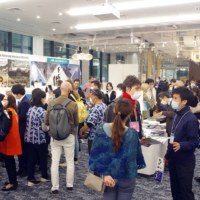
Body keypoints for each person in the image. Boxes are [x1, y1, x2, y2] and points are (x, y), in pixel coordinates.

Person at [89, 99, 146, 200]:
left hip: (108, 176)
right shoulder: (132, 133)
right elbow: (132, 158)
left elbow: (95, 154)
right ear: (129, 114)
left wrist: (106, 174)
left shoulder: (101, 129)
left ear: (114, 110)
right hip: (126, 177)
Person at [164, 87, 199, 200]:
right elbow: (172, 138)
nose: (172, 100)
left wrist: (181, 145)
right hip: (173, 160)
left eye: (175, 98)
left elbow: (194, 142)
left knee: (185, 192)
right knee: (175, 191)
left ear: (184, 101)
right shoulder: (176, 116)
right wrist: (167, 155)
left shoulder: (191, 119)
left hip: (185, 162)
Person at [44, 82, 78, 194]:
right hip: (69, 136)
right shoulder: (73, 104)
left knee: (54, 162)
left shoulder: (51, 103)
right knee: (70, 162)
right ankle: (69, 185)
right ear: (69, 90)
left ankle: (55, 187)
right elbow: (77, 122)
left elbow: (46, 121)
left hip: (54, 137)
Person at [104, 75, 144, 140]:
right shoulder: (115, 105)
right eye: (137, 88)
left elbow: (137, 121)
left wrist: (141, 136)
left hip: (134, 138)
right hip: (119, 141)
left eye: (140, 88)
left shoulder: (136, 104)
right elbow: (109, 127)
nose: (139, 91)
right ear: (128, 88)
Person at [24, 90, 49, 186]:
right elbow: (44, 127)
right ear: (42, 99)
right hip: (39, 138)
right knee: (42, 158)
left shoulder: (30, 109)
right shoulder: (42, 111)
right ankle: (44, 176)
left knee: (31, 159)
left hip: (29, 137)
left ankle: (30, 179)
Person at [0, 94, 22, 191]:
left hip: (8, 140)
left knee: (9, 163)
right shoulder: (14, 111)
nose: (3, 101)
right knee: (11, 162)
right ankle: (12, 180)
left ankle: (12, 182)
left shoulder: (8, 112)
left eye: (5, 100)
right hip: (13, 139)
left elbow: (4, 128)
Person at [11, 84, 31, 177]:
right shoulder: (23, 101)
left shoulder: (24, 102)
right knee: (21, 151)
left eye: (15, 93)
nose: (14, 95)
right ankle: (22, 168)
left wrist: (15, 115)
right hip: (21, 129)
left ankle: (24, 169)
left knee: (23, 151)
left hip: (23, 130)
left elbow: (24, 117)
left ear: (18, 93)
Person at [79, 89, 107, 154]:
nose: (90, 98)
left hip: (94, 137)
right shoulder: (105, 106)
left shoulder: (95, 108)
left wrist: (81, 130)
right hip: (104, 135)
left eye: (91, 96)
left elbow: (90, 123)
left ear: (95, 97)